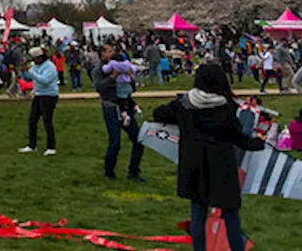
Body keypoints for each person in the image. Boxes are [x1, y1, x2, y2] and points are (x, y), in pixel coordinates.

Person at [152, 62, 265, 251]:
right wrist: (259, 142)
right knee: (230, 214)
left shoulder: (184, 104)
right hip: (221, 166)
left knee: (197, 212)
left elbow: (158, 114)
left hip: (193, 164)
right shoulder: (225, 107)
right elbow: (238, 138)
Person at [92, 44, 145, 181]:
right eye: (109, 51)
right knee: (115, 141)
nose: (112, 53)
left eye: (112, 51)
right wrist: (113, 77)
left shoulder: (122, 65)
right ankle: (109, 172)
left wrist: (130, 77)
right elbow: (99, 87)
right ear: (102, 55)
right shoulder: (99, 70)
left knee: (139, 139)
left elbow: (132, 89)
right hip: (111, 107)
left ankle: (134, 171)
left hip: (126, 106)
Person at [19, 46, 60, 155]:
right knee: (32, 120)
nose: (35, 61)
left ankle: (51, 147)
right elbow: (29, 78)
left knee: (47, 120)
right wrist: (23, 72)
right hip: (38, 94)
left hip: (49, 96)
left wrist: (31, 73)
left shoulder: (50, 67)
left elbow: (45, 80)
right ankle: (32, 145)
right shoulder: (35, 66)